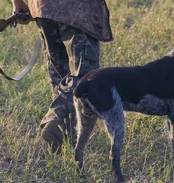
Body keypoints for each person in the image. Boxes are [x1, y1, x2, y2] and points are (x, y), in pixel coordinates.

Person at [11, 0, 113, 151]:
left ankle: (66, 138)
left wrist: (17, 2)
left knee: (59, 72)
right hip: (77, 8)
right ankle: (57, 119)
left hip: (42, 6)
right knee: (85, 76)